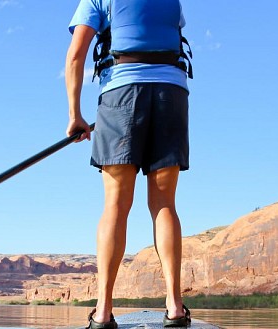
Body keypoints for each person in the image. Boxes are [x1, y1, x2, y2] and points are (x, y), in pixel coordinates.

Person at [64, 0, 193, 327]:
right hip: (171, 93)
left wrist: (75, 115)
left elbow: (77, 54)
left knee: (116, 205)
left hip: (121, 92)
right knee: (165, 203)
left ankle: (104, 311)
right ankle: (175, 308)